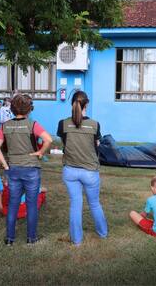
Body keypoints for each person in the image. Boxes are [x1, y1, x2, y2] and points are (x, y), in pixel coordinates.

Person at [0, 94, 52, 246]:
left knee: (13, 203)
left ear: (12, 109)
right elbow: (48, 139)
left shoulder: (5, 125)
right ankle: (31, 238)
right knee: (31, 204)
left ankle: (9, 238)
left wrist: (5, 165)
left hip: (13, 169)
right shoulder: (32, 124)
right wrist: (40, 152)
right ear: (28, 109)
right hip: (31, 169)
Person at [57, 90, 108, 246]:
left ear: (72, 103)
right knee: (94, 203)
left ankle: (77, 240)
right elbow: (96, 144)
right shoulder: (94, 124)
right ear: (87, 104)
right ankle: (103, 234)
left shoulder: (63, 123)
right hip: (90, 172)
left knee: (75, 204)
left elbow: (66, 143)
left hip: (70, 170)